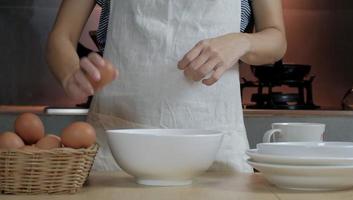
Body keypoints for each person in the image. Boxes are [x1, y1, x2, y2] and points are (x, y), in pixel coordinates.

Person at [47, 0, 286, 172]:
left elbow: (276, 40)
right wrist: (70, 75)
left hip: (213, 150)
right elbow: (61, 36)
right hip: (119, 151)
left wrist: (242, 41)